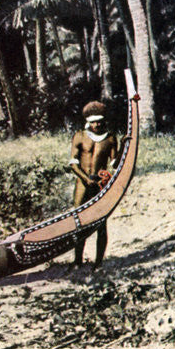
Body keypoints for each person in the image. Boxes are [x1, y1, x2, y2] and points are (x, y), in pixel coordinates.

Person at [69, 101, 118, 267]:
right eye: (93, 121)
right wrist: (85, 178)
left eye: (99, 121)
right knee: (79, 222)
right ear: (88, 121)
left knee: (101, 224)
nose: (97, 124)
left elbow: (116, 164)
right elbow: (73, 164)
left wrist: (127, 145)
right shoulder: (79, 136)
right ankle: (77, 261)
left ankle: (98, 263)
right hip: (83, 183)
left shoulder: (110, 138)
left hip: (99, 185)